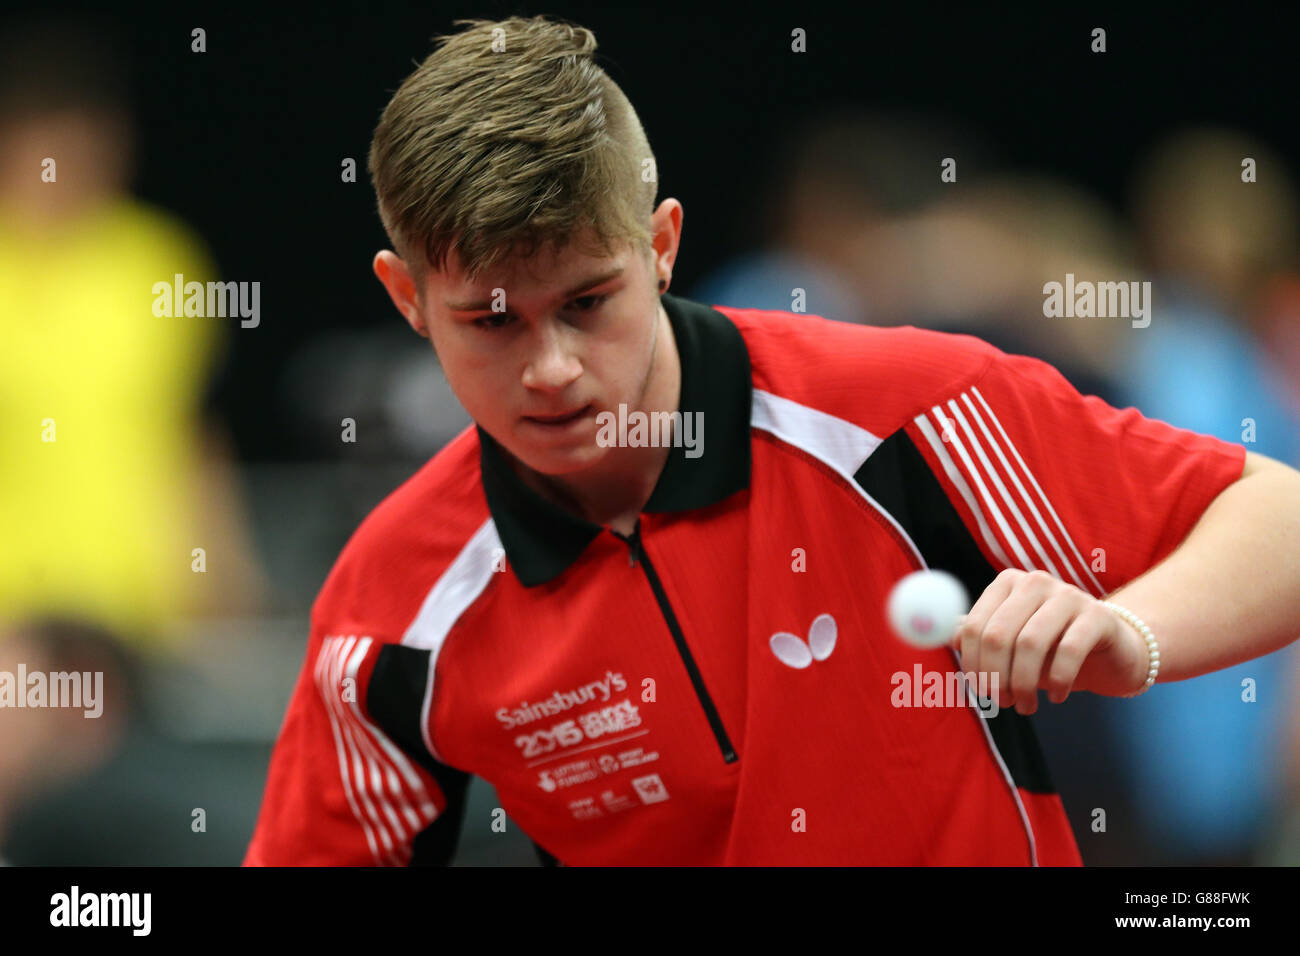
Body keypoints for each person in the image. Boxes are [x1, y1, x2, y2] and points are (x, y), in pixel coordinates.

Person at [243, 15, 1300, 866]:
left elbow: (1278, 516)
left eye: (588, 300)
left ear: (660, 246)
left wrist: (1132, 629)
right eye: (490, 319)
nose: (551, 365)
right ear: (407, 301)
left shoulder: (896, 409)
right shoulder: (396, 601)